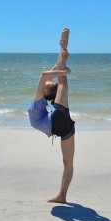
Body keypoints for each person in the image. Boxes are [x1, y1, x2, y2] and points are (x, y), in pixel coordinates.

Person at [28, 28, 75, 203]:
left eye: (48, 83)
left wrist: (64, 70)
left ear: (46, 90)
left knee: (62, 79)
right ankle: (62, 196)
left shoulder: (40, 96)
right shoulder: (42, 97)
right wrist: (64, 70)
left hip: (56, 123)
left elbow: (46, 74)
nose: (48, 80)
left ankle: (63, 44)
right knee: (68, 163)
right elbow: (51, 73)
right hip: (64, 125)